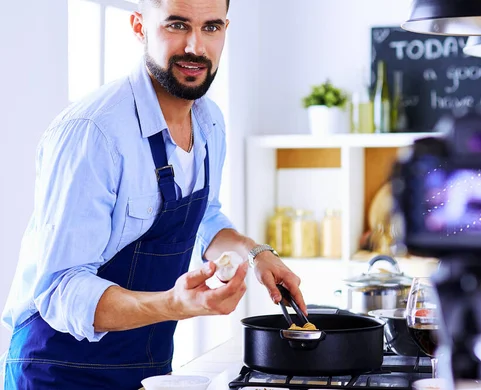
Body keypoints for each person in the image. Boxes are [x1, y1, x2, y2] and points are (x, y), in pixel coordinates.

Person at [1, 0, 306, 388]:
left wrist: (257, 254)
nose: (196, 47)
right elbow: (61, 288)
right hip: (56, 371)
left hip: (147, 369)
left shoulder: (209, 121)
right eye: (177, 25)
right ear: (138, 26)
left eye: (211, 27)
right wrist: (173, 305)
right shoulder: (93, 133)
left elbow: (205, 218)